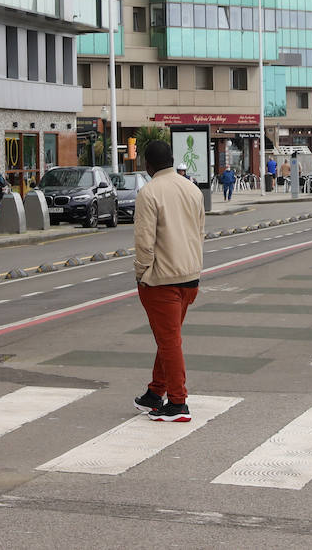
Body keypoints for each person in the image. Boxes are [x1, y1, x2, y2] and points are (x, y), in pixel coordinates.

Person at [133, 139, 205, 422]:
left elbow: (144, 242)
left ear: (147, 164)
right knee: (169, 338)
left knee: (169, 341)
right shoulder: (192, 189)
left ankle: (177, 402)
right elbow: (199, 232)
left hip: (161, 279)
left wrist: (141, 272)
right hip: (190, 276)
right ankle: (155, 392)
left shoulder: (149, 193)